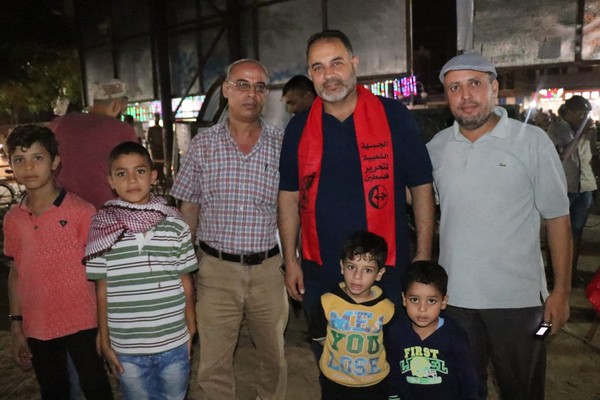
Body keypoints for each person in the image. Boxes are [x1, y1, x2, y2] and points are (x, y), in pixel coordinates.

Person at [427, 52, 572, 400]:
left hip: (521, 304)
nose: (465, 96)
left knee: (524, 388)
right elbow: (418, 202)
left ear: (494, 88)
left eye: (474, 84)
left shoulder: (533, 141)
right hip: (455, 302)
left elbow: (558, 218)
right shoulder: (435, 148)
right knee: (462, 390)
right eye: (454, 88)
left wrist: (561, 292)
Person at [278, 30, 434, 329]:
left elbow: (421, 186)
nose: (329, 75)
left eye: (336, 63)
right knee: (327, 353)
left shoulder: (393, 116)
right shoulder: (298, 128)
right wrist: (291, 260)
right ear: (310, 75)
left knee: (387, 352)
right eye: (318, 67)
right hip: (320, 271)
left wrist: (423, 257)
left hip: (386, 272)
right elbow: (288, 196)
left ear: (354, 63)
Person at [170, 59, 288, 400]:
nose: (251, 94)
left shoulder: (282, 145)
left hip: (269, 270)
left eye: (259, 87)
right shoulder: (203, 145)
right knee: (213, 363)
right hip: (216, 270)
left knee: (274, 358)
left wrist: (292, 261)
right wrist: (186, 265)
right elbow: (189, 207)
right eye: (242, 85)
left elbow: (290, 208)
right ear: (226, 90)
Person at [3, 125, 113, 400]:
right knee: (53, 391)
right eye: (19, 159)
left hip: (84, 323)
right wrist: (17, 326)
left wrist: (105, 327)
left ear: (55, 162)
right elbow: (16, 273)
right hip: (38, 327)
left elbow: (102, 274)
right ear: (11, 165)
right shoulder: (13, 219)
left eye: (37, 157)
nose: (28, 167)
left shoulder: (82, 211)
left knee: (96, 389)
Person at [85, 141, 198, 400]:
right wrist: (105, 339)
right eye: (121, 173)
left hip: (173, 341)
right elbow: (101, 289)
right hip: (127, 347)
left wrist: (191, 328)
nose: (132, 180)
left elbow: (185, 280)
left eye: (140, 171)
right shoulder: (102, 229)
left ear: (153, 176)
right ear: (111, 181)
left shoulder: (175, 225)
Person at [310, 231, 394, 400]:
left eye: (367, 270)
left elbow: (390, 343)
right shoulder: (327, 302)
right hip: (335, 381)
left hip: (374, 384)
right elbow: (318, 333)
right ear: (342, 266)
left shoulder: (387, 308)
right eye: (351, 267)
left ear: (379, 274)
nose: (357, 276)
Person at [385, 261, 477, 400]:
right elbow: (392, 372)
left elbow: (468, 380)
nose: (422, 309)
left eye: (431, 301)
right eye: (414, 299)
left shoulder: (454, 336)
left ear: (444, 302)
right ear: (404, 299)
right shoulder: (396, 333)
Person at [50, 79, 137, 209]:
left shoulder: (61, 123)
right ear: (116, 106)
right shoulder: (122, 130)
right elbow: (134, 173)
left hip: (64, 206)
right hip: (105, 208)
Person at [547, 95, 597, 286]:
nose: (585, 118)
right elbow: (563, 155)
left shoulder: (588, 131)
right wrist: (581, 133)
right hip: (563, 188)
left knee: (576, 233)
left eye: (587, 114)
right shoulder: (555, 129)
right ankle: (554, 274)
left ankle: (571, 274)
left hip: (585, 187)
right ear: (568, 112)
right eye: (581, 114)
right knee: (558, 233)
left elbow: (591, 156)